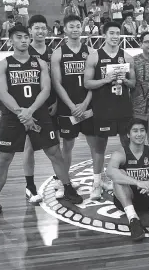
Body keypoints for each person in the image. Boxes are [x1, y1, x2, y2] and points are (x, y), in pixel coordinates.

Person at [0, 25, 82, 222]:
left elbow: (45, 89)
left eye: (26, 37)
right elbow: (2, 92)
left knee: (55, 153)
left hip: (39, 113)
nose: (24, 40)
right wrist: (21, 112)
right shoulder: (4, 64)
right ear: (11, 41)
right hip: (13, 117)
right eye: (19, 37)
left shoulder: (40, 63)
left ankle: (67, 188)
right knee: (4, 159)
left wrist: (31, 111)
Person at [51, 14, 103, 200]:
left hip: (88, 106)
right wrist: (73, 106)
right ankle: (64, 182)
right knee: (67, 145)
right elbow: (57, 83)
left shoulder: (91, 52)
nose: (75, 29)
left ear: (82, 28)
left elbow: (95, 80)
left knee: (94, 145)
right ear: (65, 29)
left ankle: (97, 182)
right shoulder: (58, 53)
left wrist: (85, 103)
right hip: (68, 108)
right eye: (71, 26)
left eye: (78, 26)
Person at [106, 118, 149, 241]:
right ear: (128, 134)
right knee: (119, 175)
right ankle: (133, 220)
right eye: (135, 131)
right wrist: (138, 182)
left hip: (147, 196)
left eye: (142, 130)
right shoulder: (120, 153)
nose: (139, 134)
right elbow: (110, 171)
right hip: (128, 197)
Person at [84, 22, 136, 155]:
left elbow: (133, 83)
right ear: (104, 36)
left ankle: (130, 172)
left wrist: (124, 80)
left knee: (128, 143)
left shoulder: (127, 57)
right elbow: (87, 84)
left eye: (118, 33)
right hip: (102, 108)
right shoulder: (94, 57)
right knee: (100, 147)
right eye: (111, 33)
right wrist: (105, 80)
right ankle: (98, 176)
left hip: (123, 107)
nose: (115, 36)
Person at [21, 15, 56, 204]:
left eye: (43, 28)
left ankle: (59, 179)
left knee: (54, 145)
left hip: (51, 106)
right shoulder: (24, 51)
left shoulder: (52, 52)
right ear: (30, 30)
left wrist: (57, 101)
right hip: (31, 107)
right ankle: (29, 186)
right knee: (29, 146)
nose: (41, 31)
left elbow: (57, 81)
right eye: (37, 28)